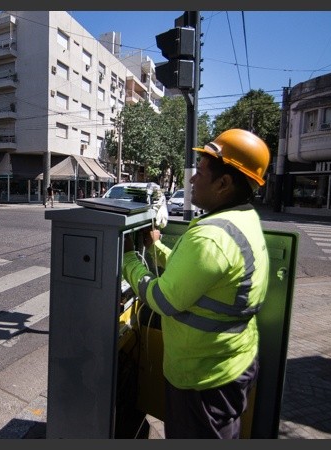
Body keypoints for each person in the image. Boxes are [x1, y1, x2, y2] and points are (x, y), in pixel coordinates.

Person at [121, 128, 271, 439]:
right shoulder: (241, 220)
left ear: (224, 183)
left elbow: (163, 299)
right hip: (231, 361)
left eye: (200, 172)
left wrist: (129, 262)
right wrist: (155, 248)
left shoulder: (211, 237)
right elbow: (201, 274)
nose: (191, 180)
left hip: (204, 375)